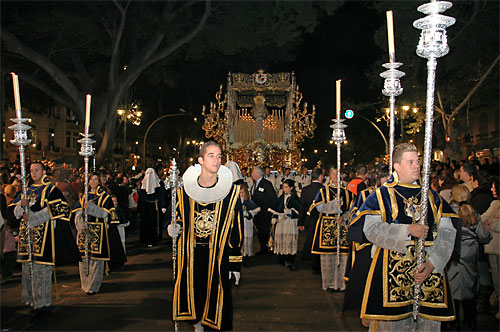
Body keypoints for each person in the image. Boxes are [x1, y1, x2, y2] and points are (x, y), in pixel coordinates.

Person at [348, 143, 461, 331]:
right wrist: (407, 229)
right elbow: (371, 229)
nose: (417, 166)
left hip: (428, 274)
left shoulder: (432, 198)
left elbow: (448, 232)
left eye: (418, 161)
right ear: (397, 167)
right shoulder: (381, 195)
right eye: (410, 162)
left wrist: (433, 263)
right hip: (392, 274)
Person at [167, 141, 243, 331]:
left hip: (218, 255)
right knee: (194, 295)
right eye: (211, 155)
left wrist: (234, 264)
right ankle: (196, 323)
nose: (216, 160)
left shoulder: (230, 194)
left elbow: (236, 230)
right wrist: (173, 228)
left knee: (216, 301)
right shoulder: (183, 192)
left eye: (219, 156)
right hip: (191, 254)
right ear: (200, 160)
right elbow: (177, 217)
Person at [9, 161, 80, 320]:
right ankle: (34, 302)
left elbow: (60, 209)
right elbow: (14, 213)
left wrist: (33, 218)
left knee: (42, 272)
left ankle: (44, 304)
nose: (33, 173)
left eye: (36, 170)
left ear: (43, 172)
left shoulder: (51, 190)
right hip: (27, 238)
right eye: (31, 170)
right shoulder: (26, 190)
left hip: (44, 237)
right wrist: (22, 205)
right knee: (29, 272)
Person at [446, 184, 490, 330]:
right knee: (469, 287)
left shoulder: (449, 213)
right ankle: (471, 321)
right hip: (470, 253)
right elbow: (483, 235)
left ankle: (453, 320)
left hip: (453, 252)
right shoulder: (473, 213)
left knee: (453, 286)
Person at [308, 166, 354, 292]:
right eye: (332, 173)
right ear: (329, 175)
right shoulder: (323, 191)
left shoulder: (348, 193)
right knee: (328, 256)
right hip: (327, 226)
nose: (335, 176)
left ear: (341, 175)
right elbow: (318, 207)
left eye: (337, 173)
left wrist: (344, 218)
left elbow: (352, 211)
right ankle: (329, 283)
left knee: (342, 256)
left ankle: (341, 283)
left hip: (341, 227)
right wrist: (334, 207)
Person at [73, 173, 119, 295]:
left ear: (99, 181)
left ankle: (93, 285)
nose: (93, 182)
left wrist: (91, 208)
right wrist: (81, 226)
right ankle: (85, 283)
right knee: (83, 259)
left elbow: (105, 214)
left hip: (98, 231)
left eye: (95, 179)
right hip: (84, 231)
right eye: (90, 179)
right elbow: (77, 213)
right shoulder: (83, 197)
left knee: (96, 260)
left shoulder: (105, 197)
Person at [268, 179, 301, 271]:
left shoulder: (295, 198)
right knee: (281, 240)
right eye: (283, 187)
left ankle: (290, 260)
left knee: (289, 240)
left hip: (290, 223)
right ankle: (281, 259)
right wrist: (274, 217)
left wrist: (291, 212)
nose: (284, 189)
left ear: (291, 188)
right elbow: (277, 207)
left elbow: (299, 211)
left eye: (286, 187)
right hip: (282, 222)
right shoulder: (282, 197)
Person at [298, 168, 324, 273]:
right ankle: (317, 264)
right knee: (319, 242)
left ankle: (311, 261)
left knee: (310, 239)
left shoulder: (305, 190)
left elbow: (302, 208)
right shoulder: (324, 189)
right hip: (321, 219)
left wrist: (301, 222)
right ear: (321, 177)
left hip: (309, 220)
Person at [483, 176, 500, 320]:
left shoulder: (496, 205)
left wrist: (493, 223)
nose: (491, 189)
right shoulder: (495, 204)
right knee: (496, 278)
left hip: (496, 246)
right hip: (494, 247)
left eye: (494, 187)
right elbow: (484, 219)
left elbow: (488, 221)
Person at [250, 166, 277, 255]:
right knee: (260, 232)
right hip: (257, 214)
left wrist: (265, 209)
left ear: (258, 174)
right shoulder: (254, 184)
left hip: (264, 213)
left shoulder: (266, 184)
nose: (251, 174)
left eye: (253, 172)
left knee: (265, 232)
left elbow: (272, 198)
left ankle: (267, 249)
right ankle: (263, 249)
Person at [138, 168, 167, 247]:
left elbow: (162, 196)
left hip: (155, 208)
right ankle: (146, 239)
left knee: (155, 223)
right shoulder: (142, 185)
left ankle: (155, 238)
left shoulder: (159, 184)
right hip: (146, 208)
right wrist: (139, 209)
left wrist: (163, 206)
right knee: (146, 224)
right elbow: (141, 198)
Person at [239, 185, 260, 267]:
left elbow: (258, 209)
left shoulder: (248, 201)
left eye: (243, 193)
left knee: (247, 240)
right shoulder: (235, 201)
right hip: (239, 224)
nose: (241, 194)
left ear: (246, 193)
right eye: (240, 193)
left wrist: (249, 213)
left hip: (247, 223)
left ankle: (246, 258)